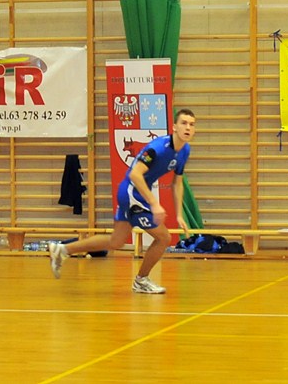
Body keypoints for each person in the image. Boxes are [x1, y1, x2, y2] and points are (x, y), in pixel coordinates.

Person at [49, 109, 196, 293]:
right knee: (164, 238)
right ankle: (141, 280)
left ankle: (62, 250)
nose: (188, 127)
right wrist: (154, 203)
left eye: (191, 124)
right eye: (184, 123)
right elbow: (135, 174)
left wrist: (179, 215)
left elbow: (177, 183)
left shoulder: (184, 151)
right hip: (131, 193)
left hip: (136, 194)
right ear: (174, 127)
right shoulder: (157, 148)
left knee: (116, 241)